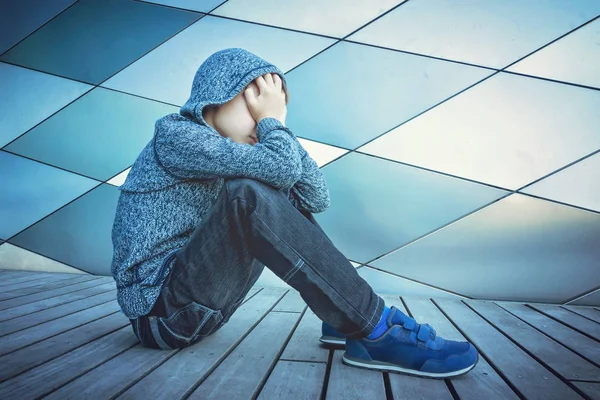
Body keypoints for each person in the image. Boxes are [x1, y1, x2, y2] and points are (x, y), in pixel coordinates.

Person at [111, 48, 479, 379]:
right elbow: (280, 172)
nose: (263, 120)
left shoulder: (238, 150)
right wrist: (272, 124)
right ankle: (375, 329)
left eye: (272, 111)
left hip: (198, 306)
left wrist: (277, 124)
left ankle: (345, 315)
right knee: (249, 193)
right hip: (162, 316)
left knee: (271, 187)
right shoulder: (177, 135)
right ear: (217, 96)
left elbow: (315, 195)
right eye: (256, 106)